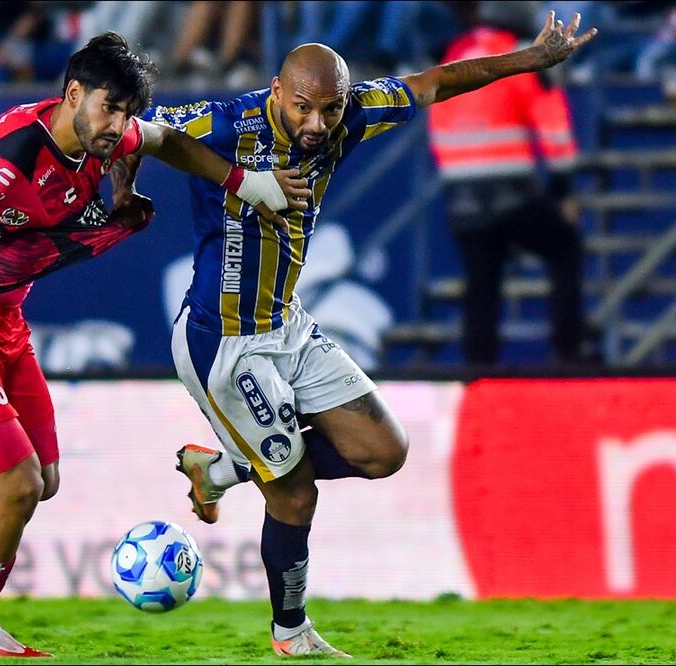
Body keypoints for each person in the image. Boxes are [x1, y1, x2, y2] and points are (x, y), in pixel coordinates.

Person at [128, 11, 595, 657]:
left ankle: (227, 467)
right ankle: (291, 633)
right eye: (303, 108)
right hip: (223, 341)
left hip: (287, 324)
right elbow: (140, 134)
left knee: (384, 451)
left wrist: (529, 59)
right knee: (293, 494)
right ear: (275, 90)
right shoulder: (230, 120)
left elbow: (432, 83)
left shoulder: (350, 115)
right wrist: (136, 195)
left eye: (330, 108)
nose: (317, 124)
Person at [0, 32, 307, 658]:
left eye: (127, 113)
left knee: (42, 478)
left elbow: (165, 142)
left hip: (4, 321)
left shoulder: (106, 135)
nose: (119, 126)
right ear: (74, 93)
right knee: (18, 483)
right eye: (110, 108)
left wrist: (240, 182)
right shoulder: (4, 165)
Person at [428, 1, 587, 365]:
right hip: (512, 188)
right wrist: (562, 190)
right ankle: (569, 354)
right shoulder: (521, 55)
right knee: (565, 249)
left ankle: (478, 371)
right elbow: (553, 126)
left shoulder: (454, 53)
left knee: (481, 281)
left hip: (460, 190)